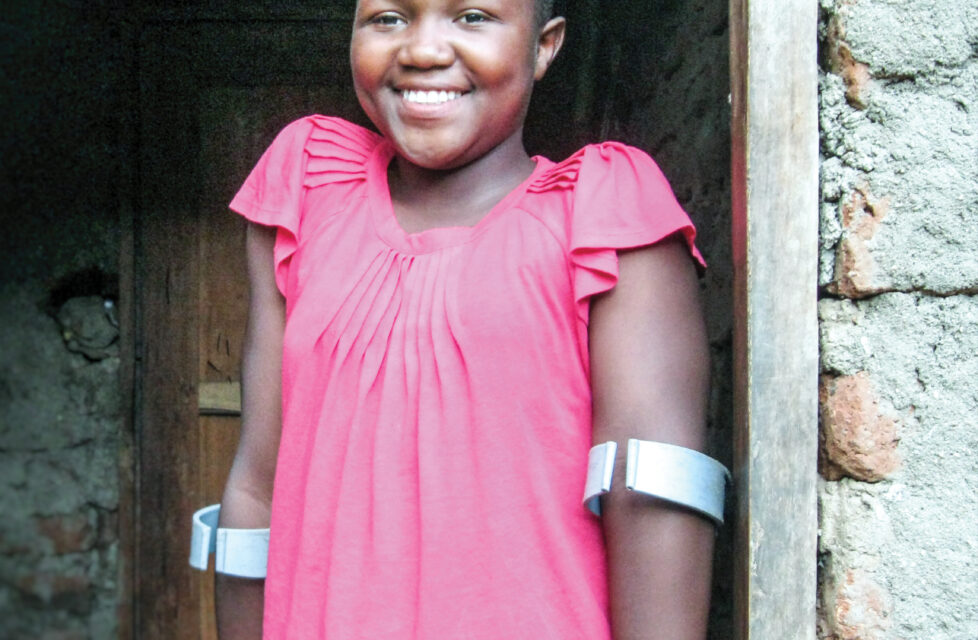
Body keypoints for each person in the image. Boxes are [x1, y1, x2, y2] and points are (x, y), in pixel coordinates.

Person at [213, 0, 719, 638]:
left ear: (544, 47)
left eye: (473, 16)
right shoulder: (311, 187)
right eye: (389, 18)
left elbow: (650, 498)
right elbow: (258, 487)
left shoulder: (602, 212)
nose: (423, 50)